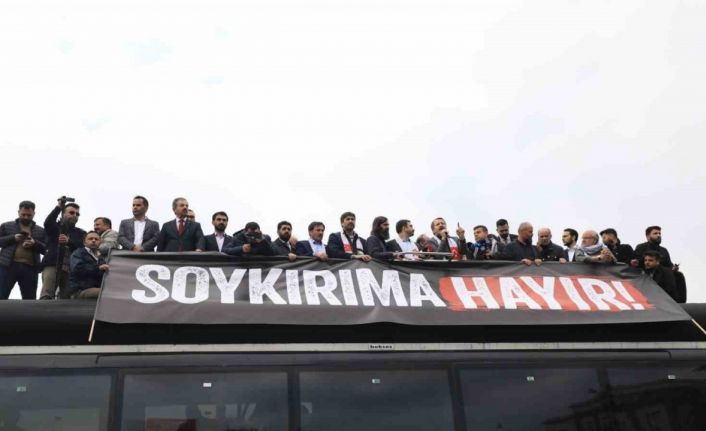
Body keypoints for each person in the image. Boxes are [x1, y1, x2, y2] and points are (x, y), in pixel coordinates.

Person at [40, 198, 86, 299]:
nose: (75, 215)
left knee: (67, 298)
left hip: (71, 268)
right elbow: (48, 223)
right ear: (63, 213)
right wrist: (58, 207)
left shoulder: (81, 233)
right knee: (47, 295)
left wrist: (68, 242)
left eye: (77, 214)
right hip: (53, 264)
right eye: (71, 212)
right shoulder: (55, 227)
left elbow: (82, 248)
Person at [0, 201, 47, 300]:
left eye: (29, 215)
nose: (26, 217)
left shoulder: (41, 230)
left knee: (30, 300)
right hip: (7, 266)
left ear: (34, 214)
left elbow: (46, 249)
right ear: (18, 212)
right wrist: (13, 238)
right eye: (23, 214)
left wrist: (34, 243)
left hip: (30, 268)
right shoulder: (6, 226)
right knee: (1, 296)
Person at [69, 231, 109, 299]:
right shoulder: (78, 253)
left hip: (96, 289)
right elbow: (77, 269)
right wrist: (98, 268)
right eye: (90, 239)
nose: (93, 240)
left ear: (100, 242)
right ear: (84, 242)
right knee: (107, 293)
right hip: (80, 290)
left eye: (96, 239)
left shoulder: (101, 258)